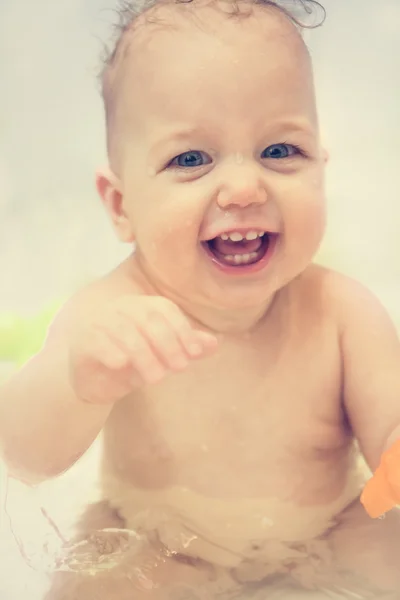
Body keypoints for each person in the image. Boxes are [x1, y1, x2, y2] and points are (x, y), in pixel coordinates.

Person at [1, 0, 400, 597]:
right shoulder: (107, 316)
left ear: (321, 163)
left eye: (280, 150)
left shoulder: (343, 313)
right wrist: (76, 381)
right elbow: (25, 457)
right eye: (191, 159)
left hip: (332, 529)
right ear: (121, 205)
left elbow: (391, 438)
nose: (243, 187)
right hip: (156, 541)